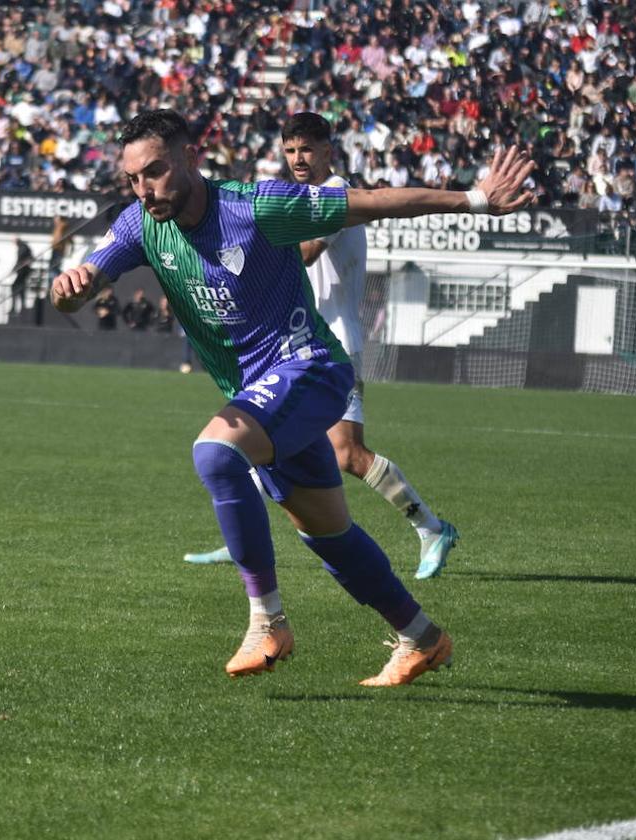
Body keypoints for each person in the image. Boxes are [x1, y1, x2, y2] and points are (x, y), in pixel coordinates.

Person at [51, 109, 533, 686]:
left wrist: (474, 200)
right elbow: (83, 284)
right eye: (132, 178)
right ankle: (422, 638)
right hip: (258, 395)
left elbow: (373, 202)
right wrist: (69, 289)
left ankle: (266, 620)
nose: (143, 188)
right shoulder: (138, 225)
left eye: (153, 172)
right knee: (329, 535)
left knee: (215, 452)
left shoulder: (257, 206)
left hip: (309, 368)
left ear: (188, 159)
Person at [184, 113, 460, 580]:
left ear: (329, 150)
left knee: (347, 453)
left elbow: (306, 250)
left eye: (307, 149)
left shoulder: (334, 195)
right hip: (291, 345)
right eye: (290, 150)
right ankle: (245, 539)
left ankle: (432, 528)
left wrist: (241, 241)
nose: (298, 159)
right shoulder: (294, 196)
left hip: (334, 345)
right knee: (258, 442)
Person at [10, 236, 33, 317]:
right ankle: (20, 308)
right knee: (20, 288)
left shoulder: (22, 247)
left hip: (23, 270)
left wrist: (14, 269)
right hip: (24, 270)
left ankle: (14, 308)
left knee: (14, 287)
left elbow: (20, 259)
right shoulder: (24, 246)